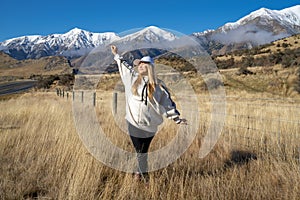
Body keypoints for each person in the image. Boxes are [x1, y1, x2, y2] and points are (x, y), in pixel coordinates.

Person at [110, 45, 186, 184]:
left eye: (143, 65)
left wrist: (177, 118)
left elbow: (166, 103)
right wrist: (116, 54)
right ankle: (142, 177)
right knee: (140, 150)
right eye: (139, 64)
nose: (140, 66)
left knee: (143, 151)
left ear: (150, 67)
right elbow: (123, 66)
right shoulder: (131, 79)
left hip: (150, 126)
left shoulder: (158, 87)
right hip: (133, 122)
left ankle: (138, 171)